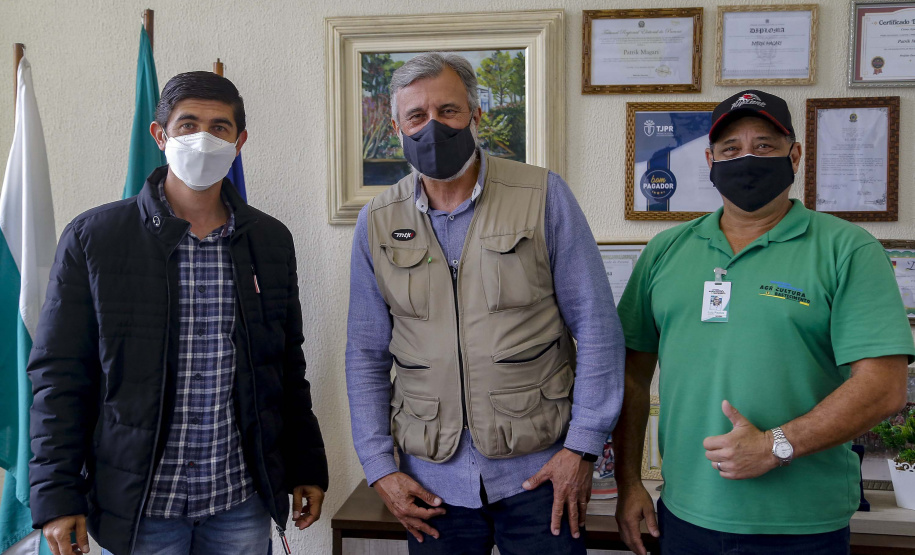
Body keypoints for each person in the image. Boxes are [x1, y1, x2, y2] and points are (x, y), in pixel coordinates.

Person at [27, 71, 328, 555]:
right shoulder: (95, 238)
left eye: (220, 127)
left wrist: (307, 465)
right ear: (160, 134)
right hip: (142, 507)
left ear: (239, 141)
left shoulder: (269, 241)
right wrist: (58, 495)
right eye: (188, 125)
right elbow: (60, 379)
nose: (203, 138)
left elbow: (286, 367)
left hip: (239, 501)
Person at [345, 52, 625, 554]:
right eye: (417, 116)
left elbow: (599, 328)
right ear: (397, 128)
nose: (433, 127)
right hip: (433, 482)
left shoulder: (543, 196)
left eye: (448, 112)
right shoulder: (378, 221)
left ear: (475, 116)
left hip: (539, 474)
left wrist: (582, 448)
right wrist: (378, 467)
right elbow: (365, 354)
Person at [614, 89, 915, 555]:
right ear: (710, 161)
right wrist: (629, 482)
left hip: (803, 526)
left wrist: (777, 445)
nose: (746, 159)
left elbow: (884, 386)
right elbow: (631, 374)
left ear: (794, 155)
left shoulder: (848, 250)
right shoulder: (665, 251)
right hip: (686, 514)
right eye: (731, 150)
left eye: (765, 146)